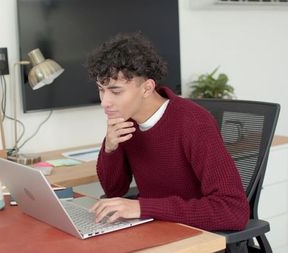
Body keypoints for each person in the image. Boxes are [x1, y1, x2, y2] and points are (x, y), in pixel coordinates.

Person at [85, 32, 249, 231]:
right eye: (101, 90)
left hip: (196, 234)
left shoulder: (194, 123)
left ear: (147, 88)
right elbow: (114, 190)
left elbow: (233, 211)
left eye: (115, 91)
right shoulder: (126, 121)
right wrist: (111, 149)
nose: (105, 102)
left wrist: (142, 207)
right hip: (153, 227)